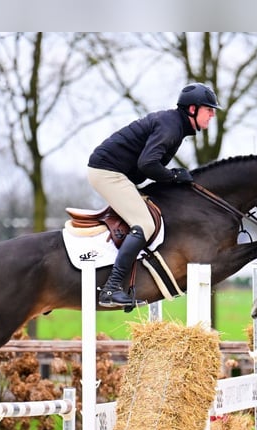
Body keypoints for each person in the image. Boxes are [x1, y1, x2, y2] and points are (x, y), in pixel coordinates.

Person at [87, 82, 222, 307]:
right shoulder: (171, 127)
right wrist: (173, 176)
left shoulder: (175, 125)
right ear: (192, 109)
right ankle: (110, 289)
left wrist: (171, 177)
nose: (212, 115)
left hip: (117, 173)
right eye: (209, 110)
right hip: (108, 173)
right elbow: (148, 163)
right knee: (145, 224)